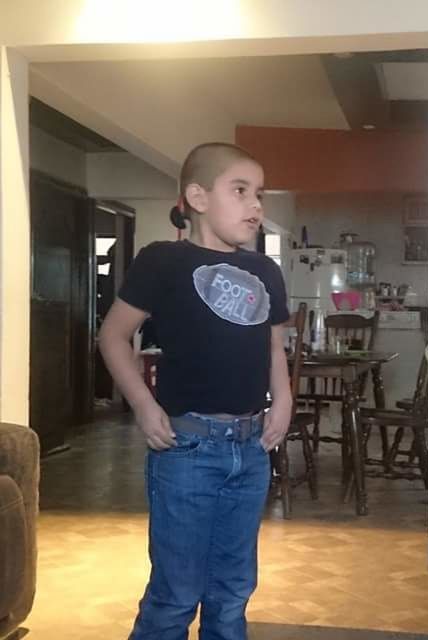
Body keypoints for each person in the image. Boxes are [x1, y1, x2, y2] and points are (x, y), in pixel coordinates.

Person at [98, 142, 291, 640]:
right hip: (186, 448)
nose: (256, 206)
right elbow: (113, 336)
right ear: (198, 197)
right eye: (241, 190)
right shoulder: (163, 261)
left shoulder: (266, 271)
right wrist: (142, 404)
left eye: (260, 195)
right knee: (176, 593)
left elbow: (273, 348)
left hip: (250, 451)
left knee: (232, 592)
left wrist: (283, 401)